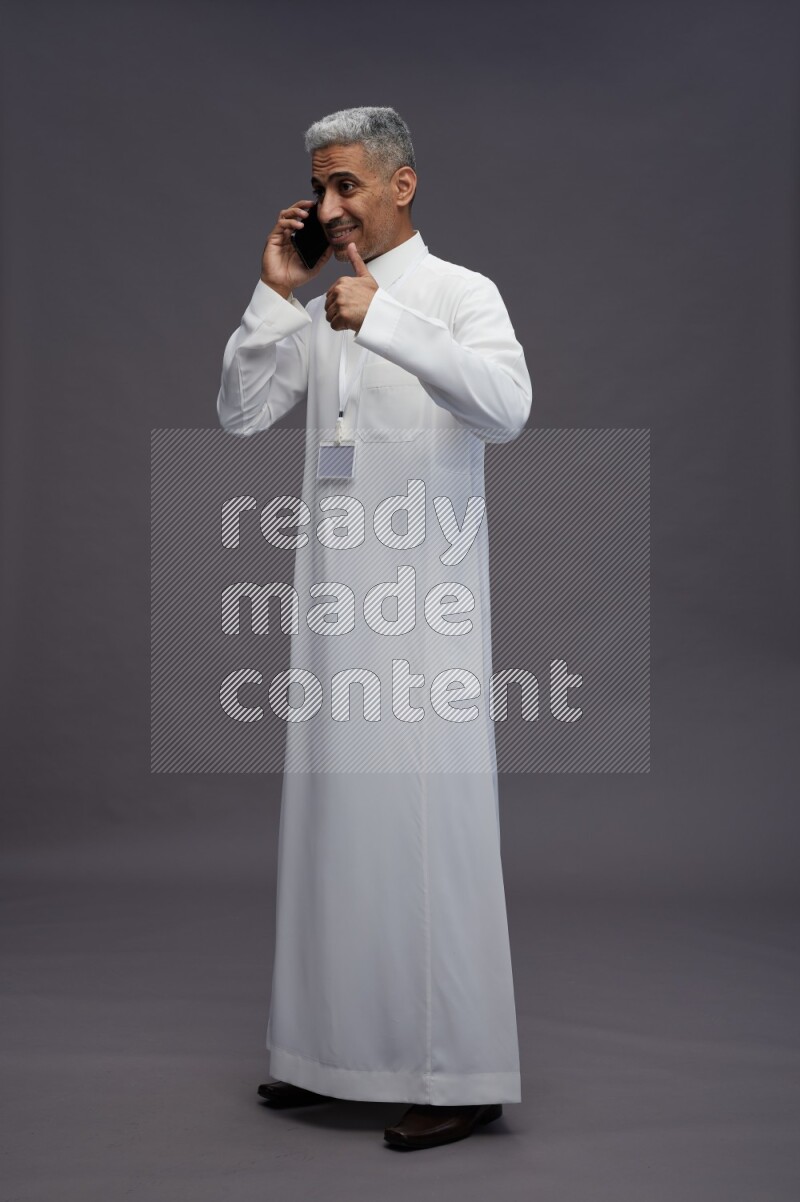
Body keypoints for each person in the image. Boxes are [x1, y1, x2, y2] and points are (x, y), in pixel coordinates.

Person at [216, 106, 532, 1150]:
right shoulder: (317, 312)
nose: (329, 205)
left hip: (425, 614)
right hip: (334, 606)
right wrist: (277, 291)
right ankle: (326, 1051)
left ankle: (461, 1069)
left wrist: (384, 318)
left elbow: (505, 405)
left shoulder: (456, 295)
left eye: (347, 185)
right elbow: (241, 411)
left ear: (400, 186)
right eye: (321, 187)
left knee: (426, 833)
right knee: (332, 829)